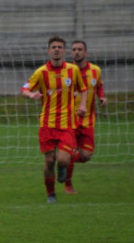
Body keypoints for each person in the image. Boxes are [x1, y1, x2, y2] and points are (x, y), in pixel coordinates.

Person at [21, 36, 87, 203]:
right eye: (53, 47)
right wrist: (31, 94)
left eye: (59, 47)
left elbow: (83, 89)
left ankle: (62, 167)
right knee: (49, 160)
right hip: (47, 123)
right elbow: (24, 88)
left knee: (63, 159)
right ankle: (51, 194)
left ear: (64, 51)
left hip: (67, 123)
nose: (56, 49)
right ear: (49, 51)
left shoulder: (73, 70)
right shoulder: (41, 72)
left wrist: (83, 106)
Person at [65, 40, 107, 194]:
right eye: (74, 49)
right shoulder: (67, 71)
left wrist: (102, 97)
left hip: (89, 120)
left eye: (80, 49)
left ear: (86, 53)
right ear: (71, 53)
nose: (76, 52)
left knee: (86, 156)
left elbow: (99, 85)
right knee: (70, 151)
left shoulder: (96, 70)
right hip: (70, 120)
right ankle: (68, 185)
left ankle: (64, 162)